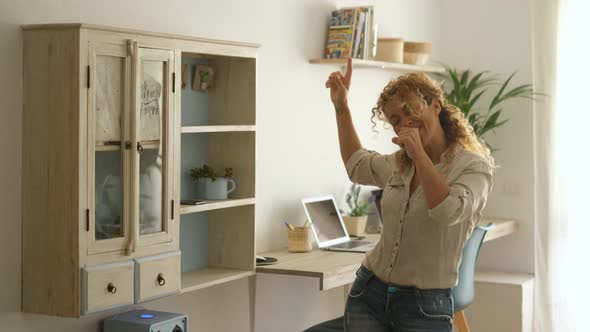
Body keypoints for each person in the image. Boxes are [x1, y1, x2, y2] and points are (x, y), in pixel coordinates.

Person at [306, 58, 494, 332]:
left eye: (411, 110)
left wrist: (419, 155)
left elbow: (448, 211)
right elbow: (357, 166)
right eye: (395, 119)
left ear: (435, 105)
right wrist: (341, 107)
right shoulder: (399, 163)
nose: (405, 122)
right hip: (369, 292)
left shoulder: (473, 166)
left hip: (424, 306)